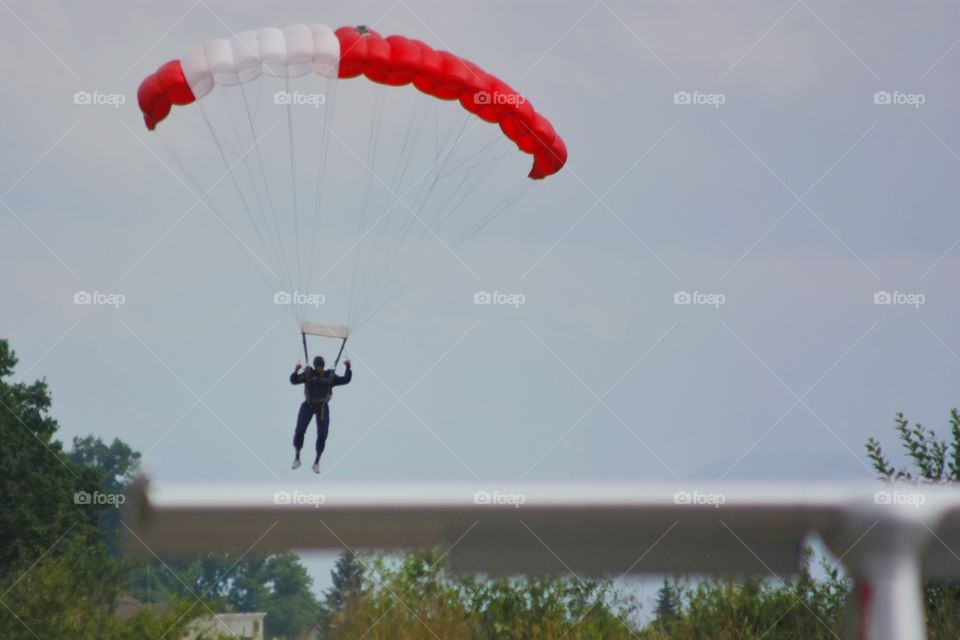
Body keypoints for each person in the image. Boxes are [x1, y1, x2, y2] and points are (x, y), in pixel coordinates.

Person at [290, 355, 352, 473]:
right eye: (318, 366)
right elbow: (293, 381)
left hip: (322, 409)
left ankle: (317, 462)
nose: (320, 368)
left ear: (323, 366)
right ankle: (297, 457)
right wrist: (296, 370)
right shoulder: (309, 374)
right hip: (308, 405)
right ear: (315, 366)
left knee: (322, 434)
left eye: (321, 366)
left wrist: (348, 367)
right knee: (299, 430)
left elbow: (346, 380)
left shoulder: (330, 376)